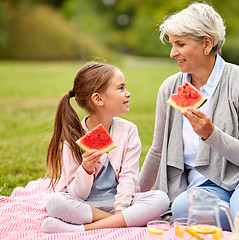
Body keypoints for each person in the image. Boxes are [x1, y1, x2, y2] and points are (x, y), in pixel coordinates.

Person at [139, 2, 239, 231]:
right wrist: (133, 197)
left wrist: (210, 134)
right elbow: (158, 151)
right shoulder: (170, 88)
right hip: (208, 186)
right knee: (181, 207)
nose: (172, 53)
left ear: (206, 43)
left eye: (180, 44)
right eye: (172, 45)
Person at [41, 61, 170, 233]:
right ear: (98, 99)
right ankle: (119, 222)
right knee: (55, 202)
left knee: (160, 199)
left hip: (117, 202)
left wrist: (121, 210)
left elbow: (129, 177)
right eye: (121, 88)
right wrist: (86, 170)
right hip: (84, 205)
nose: (128, 93)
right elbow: (75, 195)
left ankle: (80, 229)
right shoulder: (73, 137)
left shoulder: (129, 131)